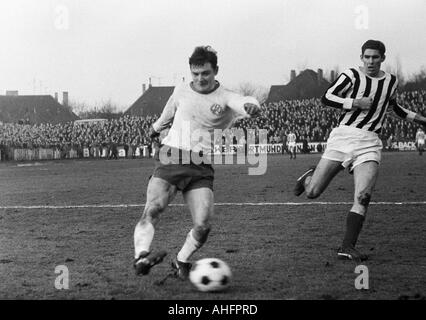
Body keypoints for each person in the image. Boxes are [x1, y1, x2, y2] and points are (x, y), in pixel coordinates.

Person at [133, 46, 261, 279]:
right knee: (153, 208)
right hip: (172, 155)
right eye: (195, 73)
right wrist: (155, 128)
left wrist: (253, 106)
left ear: (215, 71)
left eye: (205, 73)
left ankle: (181, 260)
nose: (200, 78)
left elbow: (244, 101)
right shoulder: (182, 89)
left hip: (201, 165)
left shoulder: (225, 96)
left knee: (203, 225)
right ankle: (141, 257)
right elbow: (169, 109)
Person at [293, 40, 426, 262]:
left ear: (383, 58)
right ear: (361, 57)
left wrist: (417, 118)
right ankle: (309, 177)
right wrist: (354, 102)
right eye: (367, 57)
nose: (371, 61)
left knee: (364, 196)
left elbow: (392, 108)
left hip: (369, 143)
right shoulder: (351, 75)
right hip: (343, 137)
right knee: (312, 193)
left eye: (375, 57)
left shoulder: (391, 81)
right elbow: (326, 98)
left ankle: (347, 246)